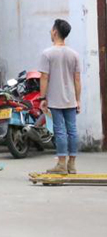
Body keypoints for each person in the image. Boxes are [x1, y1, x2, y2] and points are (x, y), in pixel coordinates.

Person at [38, 19, 81, 175]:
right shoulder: (74, 54)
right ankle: (72, 164)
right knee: (72, 130)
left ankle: (61, 164)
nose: (50, 32)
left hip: (55, 99)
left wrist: (42, 98)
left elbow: (44, 77)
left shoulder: (47, 53)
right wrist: (78, 99)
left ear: (55, 32)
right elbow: (77, 79)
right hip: (71, 98)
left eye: (51, 29)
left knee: (60, 131)